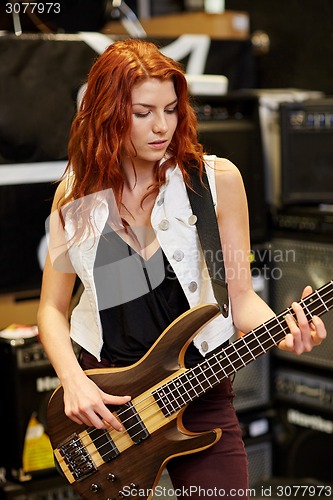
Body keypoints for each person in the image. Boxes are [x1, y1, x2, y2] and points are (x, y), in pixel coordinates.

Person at [37, 39, 326, 499]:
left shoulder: (216, 182)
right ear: (109, 113)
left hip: (199, 389)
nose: (162, 126)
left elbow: (241, 296)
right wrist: (74, 382)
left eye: (171, 109)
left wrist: (285, 332)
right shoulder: (75, 194)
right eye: (143, 112)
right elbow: (51, 309)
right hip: (108, 394)